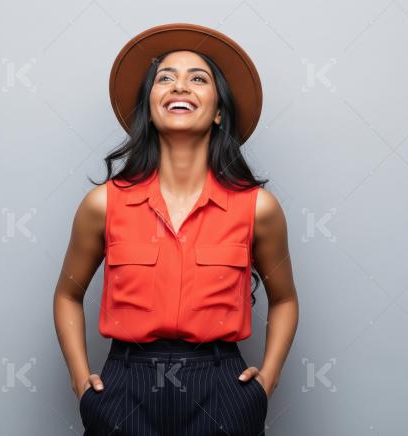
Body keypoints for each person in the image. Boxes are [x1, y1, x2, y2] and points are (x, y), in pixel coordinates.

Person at [53, 23, 299, 435]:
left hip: (222, 390)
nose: (180, 86)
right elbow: (67, 294)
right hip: (124, 388)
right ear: (149, 108)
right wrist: (81, 383)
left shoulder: (258, 208)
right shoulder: (103, 204)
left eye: (198, 79)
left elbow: (285, 299)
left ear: (219, 112)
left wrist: (266, 382)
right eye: (165, 78)